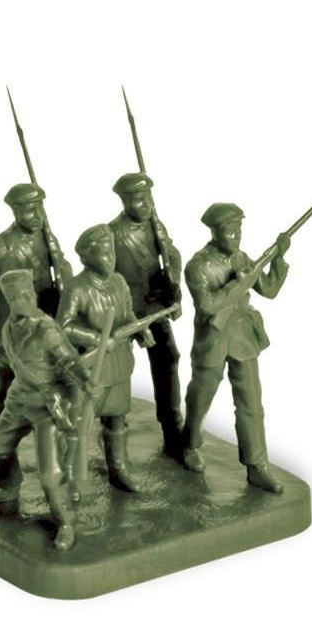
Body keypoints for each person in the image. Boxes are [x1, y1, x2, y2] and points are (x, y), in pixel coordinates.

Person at [0, 269, 86, 551]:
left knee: (50, 475)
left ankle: (66, 522)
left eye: (29, 294)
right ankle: (6, 487)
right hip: (19, 399)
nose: (28, 300)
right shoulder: (9, 328)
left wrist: (83, 383)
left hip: (47, 407)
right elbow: (8, 358)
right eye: (20, 297)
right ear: (10, 301)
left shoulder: (47, 330)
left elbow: (70, 363)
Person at [180, 203, 291, 493]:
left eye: (239, 229)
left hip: (242, 337)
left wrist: (278, 258)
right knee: (201, 398)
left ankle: (257, 465)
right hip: (213, 339)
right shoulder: (197, 266)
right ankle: (190, 444)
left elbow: (268, 289)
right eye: (230, 230)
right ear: (214, 232)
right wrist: (239, 286)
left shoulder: (241, 258)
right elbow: (207, 306)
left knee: (251, 403)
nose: (236, 235)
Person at [57, 224, 155, 493]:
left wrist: (140, 330)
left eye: (112, 252)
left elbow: (128, 313)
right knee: (79, 422)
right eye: (104, 253)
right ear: (87, 258)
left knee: (118, 417)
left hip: (119, 361)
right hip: (91, 368)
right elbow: (63, 327)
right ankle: (70, 476)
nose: (111, 258)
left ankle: (118, 467)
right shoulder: (76, 289)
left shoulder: (119, 281)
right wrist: (96, 339)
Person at [0, 183, 73, 422]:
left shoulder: (48, 239)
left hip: (46, 320)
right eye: (30, 210)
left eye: (40, 208)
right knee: (6, 382)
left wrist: (61, 267)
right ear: (15, 211)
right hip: (12, 325)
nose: (37, 215)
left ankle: (51, 433)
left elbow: (65, 274)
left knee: (53, 379)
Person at [108, 172, 184, 454]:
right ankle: (113, 431)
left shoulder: (155, 224)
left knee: (168, 358)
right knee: (116, 370)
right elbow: (106, 277)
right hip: (123, 310)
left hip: (153, 306)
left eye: (149, 197)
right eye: (139, 199)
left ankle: (172, 430)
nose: (146, 204)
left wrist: (173, 282)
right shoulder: (112, 233)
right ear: (125, 201)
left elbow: (172, 254)